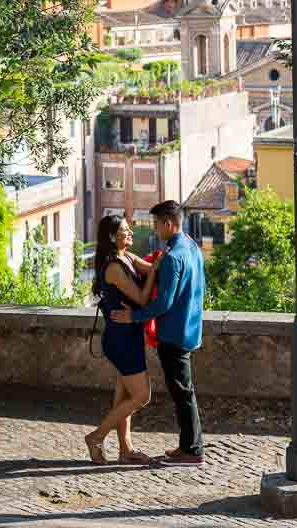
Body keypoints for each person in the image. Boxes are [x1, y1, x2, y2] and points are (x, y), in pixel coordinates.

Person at [111, 200, 205, 466]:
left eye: (156, 224)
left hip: (174, 333)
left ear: (168, 223)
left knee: (182, 393)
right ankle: (188, 445)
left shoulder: (174, 257)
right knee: (184, 391)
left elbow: (164, 303)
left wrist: (134, 316)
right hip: (190, 327)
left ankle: (193, 451)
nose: (154, 229)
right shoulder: (191, 247)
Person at [85, 214, 160, 465]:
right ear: (111, 237)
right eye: (124, 230)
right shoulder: (115, 267)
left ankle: (125, 450)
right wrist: (153, 273)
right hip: (121, 340)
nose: (130, 233)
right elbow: (140, 298)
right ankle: (96, 437)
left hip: (129, 335)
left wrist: (161, 262)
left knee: (123, 397)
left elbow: (150, 267)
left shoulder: (127, 257)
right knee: (141, 396)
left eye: (129, 229)